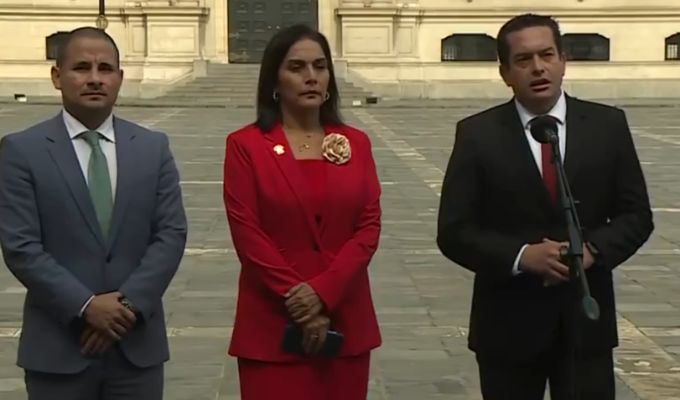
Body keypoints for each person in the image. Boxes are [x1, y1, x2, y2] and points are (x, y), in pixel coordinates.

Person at [436, 13, 654, 400]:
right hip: (507, 328)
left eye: (547, 55)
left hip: (585, 325)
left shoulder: (607, 125)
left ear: (563, 60)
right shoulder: (477, 134)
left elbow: (636, 215)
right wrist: (522, 256)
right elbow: (455, 231)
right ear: (505, 73)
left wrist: (591, 250)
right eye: (523, 60)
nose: (538, 68)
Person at [0, 27, 187, 399]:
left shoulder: (153, 148)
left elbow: (170, 234)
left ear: (120, 77)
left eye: (106, 68)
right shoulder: (22, 151)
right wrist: (86, 307)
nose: (95, 78)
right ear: (57, 76)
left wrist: (125, 307)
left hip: (136, 351)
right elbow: (21, 246)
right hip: (59, 349)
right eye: (81, 68)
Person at [222, 24, 382, 400]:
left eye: (320, 66)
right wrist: (300, 300)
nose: (311, 77)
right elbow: (247, 234)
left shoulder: (356, 143)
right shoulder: (246, 145)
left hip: (345, 321)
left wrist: (323, 293)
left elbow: (368, 226)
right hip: (273, 325)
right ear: (274, 80)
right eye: (296, 67)